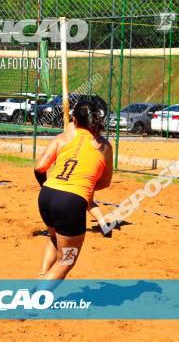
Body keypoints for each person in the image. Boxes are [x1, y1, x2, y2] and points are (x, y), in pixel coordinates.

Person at [33, 100, 113, 280]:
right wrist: (84, 184)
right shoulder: (105, 146)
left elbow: (39, 168)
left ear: (74, 120)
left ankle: (43, 276)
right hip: (72, 201)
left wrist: (48, 188)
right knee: (66, 260)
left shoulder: (62, 137)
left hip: (47, 195)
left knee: (55, 239)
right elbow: (105, 182)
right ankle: (34, 297)